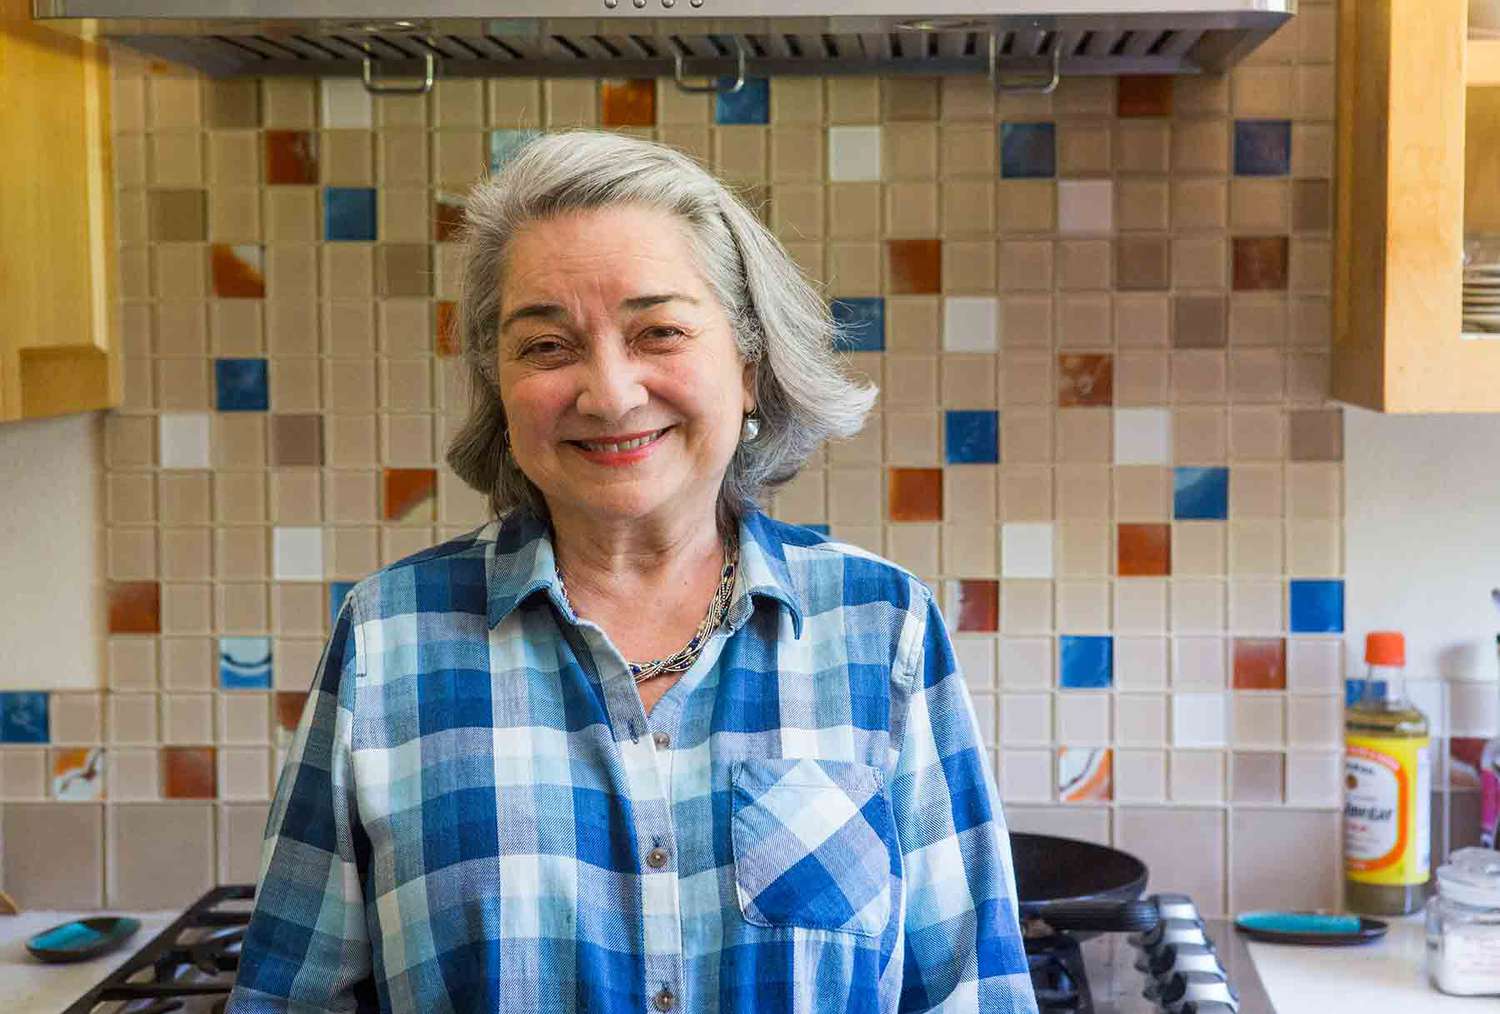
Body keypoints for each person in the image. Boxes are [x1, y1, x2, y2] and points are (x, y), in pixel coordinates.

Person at [228, 129, 1037, 1014]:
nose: (609, 393)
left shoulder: (881, 625)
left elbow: (971, 993)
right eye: (546, 347)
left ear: (749, 363)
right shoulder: (391, 637)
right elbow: (290, 999)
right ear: (497, 386)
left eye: (659, 331)